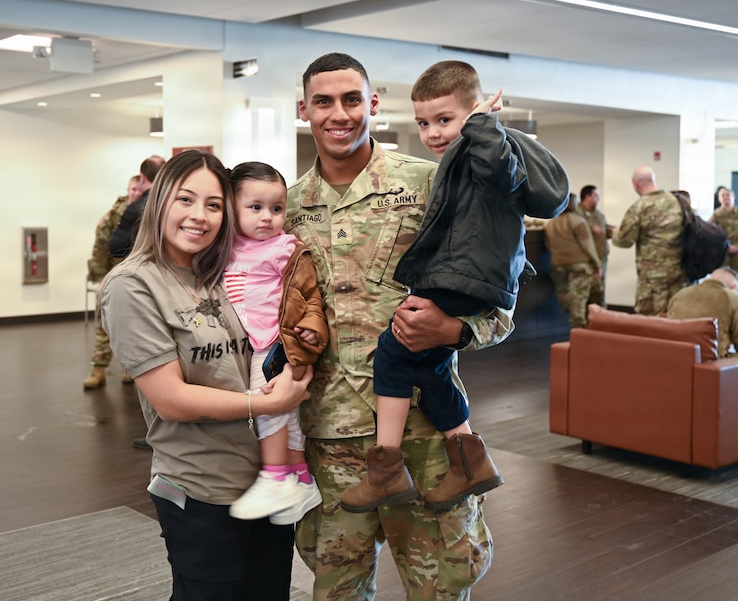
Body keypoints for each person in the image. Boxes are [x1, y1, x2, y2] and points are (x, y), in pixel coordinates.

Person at [286, 52, 516, 601]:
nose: (338, 114)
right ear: (305, 110)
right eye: (323, 102)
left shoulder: (433, 183)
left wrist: (456, 331)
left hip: (427, 435)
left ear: (372, 105)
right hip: (331, 438)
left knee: (441, 583)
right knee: (336, 585)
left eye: (350, 99)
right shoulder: (288, 209)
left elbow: (501, 299)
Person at [339, 60, 569, 514]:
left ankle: (385, 471)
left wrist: (483, 125)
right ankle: (469, 461)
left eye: (445, 120)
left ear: (473, 112)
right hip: (461, 273)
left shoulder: (485, 149)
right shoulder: (461, 157)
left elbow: (504, 177)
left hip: (463, 275)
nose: (433, 133)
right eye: (424, 123)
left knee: (393, 350)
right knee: (432, 369)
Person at [100, 150, 314, 601]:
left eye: (214, 205)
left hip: (265, 482)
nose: (199, 216)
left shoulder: (224, 271)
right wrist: (268, 404)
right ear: (159, 202)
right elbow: (170, 399)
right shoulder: (133, 284)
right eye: (185, 200)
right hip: (200, 488)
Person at [224, 162, 328, 524]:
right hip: (249, 343)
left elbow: (309, 294)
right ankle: (300, 476)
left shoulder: (284, 248)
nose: (267, 217)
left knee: (267, 402)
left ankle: (274, 475)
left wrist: (312, 329)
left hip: (275, 343)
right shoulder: (226, 249)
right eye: (255, 207)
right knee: (288, 413)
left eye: (277, 208)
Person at [83, 174, 142, 389]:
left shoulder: (150, 211)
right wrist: (99, 278)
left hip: (140, 278)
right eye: (132, 189)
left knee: (136, 325)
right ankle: (98, 368)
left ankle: (131, 367)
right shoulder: (113, 215)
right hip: (113, 276)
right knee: (104, 324)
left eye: (139, 189)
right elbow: (100, 246)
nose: (135, 193)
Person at [612, 165, 687, 316]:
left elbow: (624, 241)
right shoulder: (679, 202)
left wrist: (616, 233)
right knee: (678, 317)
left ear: (636, 184)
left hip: (653, 281)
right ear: (654, 180)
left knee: (652, 322)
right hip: (680, 275)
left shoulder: (639, 207)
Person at [545, 194, 603, 329]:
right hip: (578, 265)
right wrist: (597, 264)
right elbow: (588, 246)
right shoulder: (578, 221)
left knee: (564, 292)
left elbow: (548, 245)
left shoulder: (551, 223)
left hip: (557, 264)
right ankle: (580, 329)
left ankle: (572, 313)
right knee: (579, 298)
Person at [667, 267, 738, 358]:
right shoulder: (732, 297)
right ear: (733, 286)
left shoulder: (680, 294)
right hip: (713, 362)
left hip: (677, 357)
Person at [577, 184, 615, 306]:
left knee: (600, 290)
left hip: (601, 257)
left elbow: (603, 230)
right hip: (587, 260)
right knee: (587, 293)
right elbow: (576, 233)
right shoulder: (578, 214)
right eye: (596, 195)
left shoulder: (598, 214)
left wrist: (613, 231)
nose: (598, 198)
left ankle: (600, 319)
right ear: (587, 197)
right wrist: (590, 228)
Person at [711, 186, 738, 270]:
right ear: (719, 199)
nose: (726, 197)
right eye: (723, 195)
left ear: (733, 196)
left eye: (728, 194)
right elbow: (711, 234)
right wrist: (727, 247)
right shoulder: (716, 215)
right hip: (723, 254)